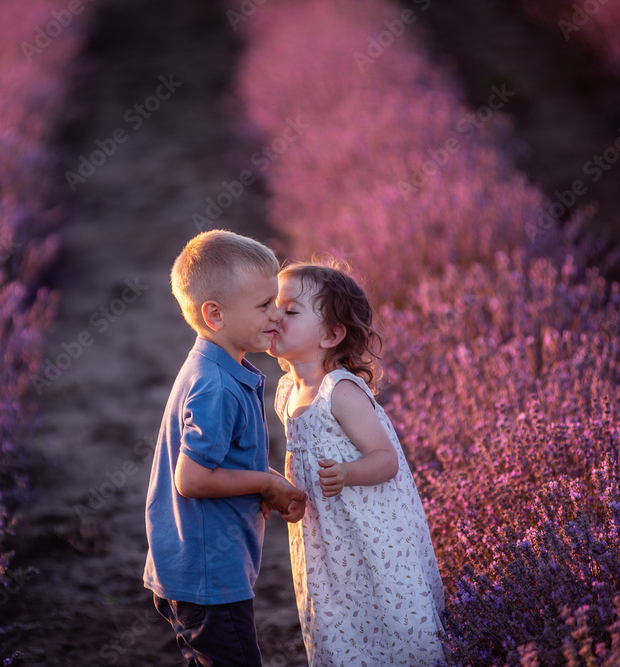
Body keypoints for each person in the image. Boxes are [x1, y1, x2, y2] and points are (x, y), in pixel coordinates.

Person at [268, 260, 445, 667]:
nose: (276, 316)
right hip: (328, 540)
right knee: (338, 615)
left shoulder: (340, 391)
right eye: (272, 306)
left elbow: (385, 460)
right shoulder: (287, 392)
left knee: (384, 609)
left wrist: (347, 473)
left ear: (331, 334)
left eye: (291, 310)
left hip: (369, 535)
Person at [144, 230, 308, 667]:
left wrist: (266, 480)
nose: (277, 314)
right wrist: (267, 483)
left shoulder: (218, 365)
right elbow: (192, 478)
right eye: (262, 306)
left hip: (201, 567)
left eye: (275, 301)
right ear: (214, 314)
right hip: (208, 576)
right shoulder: (215, 387)